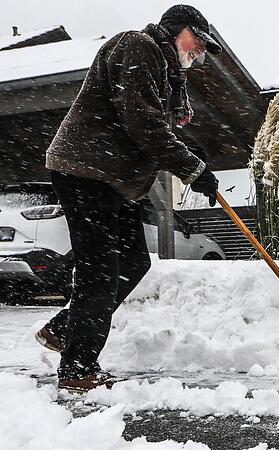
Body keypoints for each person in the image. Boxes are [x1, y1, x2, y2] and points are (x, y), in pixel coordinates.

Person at [34, 5, 221, 393]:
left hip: (114, 181)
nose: (200, 50)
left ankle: (65, 330)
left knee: (133, 262)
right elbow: (142, 123)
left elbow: (148, 125)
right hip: (86, 171)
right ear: (177, 29)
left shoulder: (163, 69)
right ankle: (77, 369)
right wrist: (192, 168)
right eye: (198, 40)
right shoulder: (138, 46)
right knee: (99, 272)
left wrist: (190, 159)